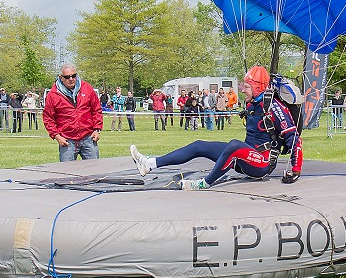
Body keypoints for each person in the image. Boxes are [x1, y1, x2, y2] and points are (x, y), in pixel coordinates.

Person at [130, 65, 303, 189]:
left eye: (247, 87)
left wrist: (295, 171)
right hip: (243, 159)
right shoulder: (252, 104)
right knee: (199, 145)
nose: (243, 90)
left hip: (261, 164)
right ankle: (149, 164)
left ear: (258, 88)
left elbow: (294, 139)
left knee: (234, 145)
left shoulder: (274, 107)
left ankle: (205, 183)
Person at [42, 63, 103, 162]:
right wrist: (57, 136)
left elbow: (96, 109)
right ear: (61, 78)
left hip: (88, 137)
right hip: (67, 140)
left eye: (73, 76)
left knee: (94, 170)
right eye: (67, 77)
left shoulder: (87, 88)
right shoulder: (53, 95)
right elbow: (48, 118)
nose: (71, 79)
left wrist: (97, 129)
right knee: (67, 173)